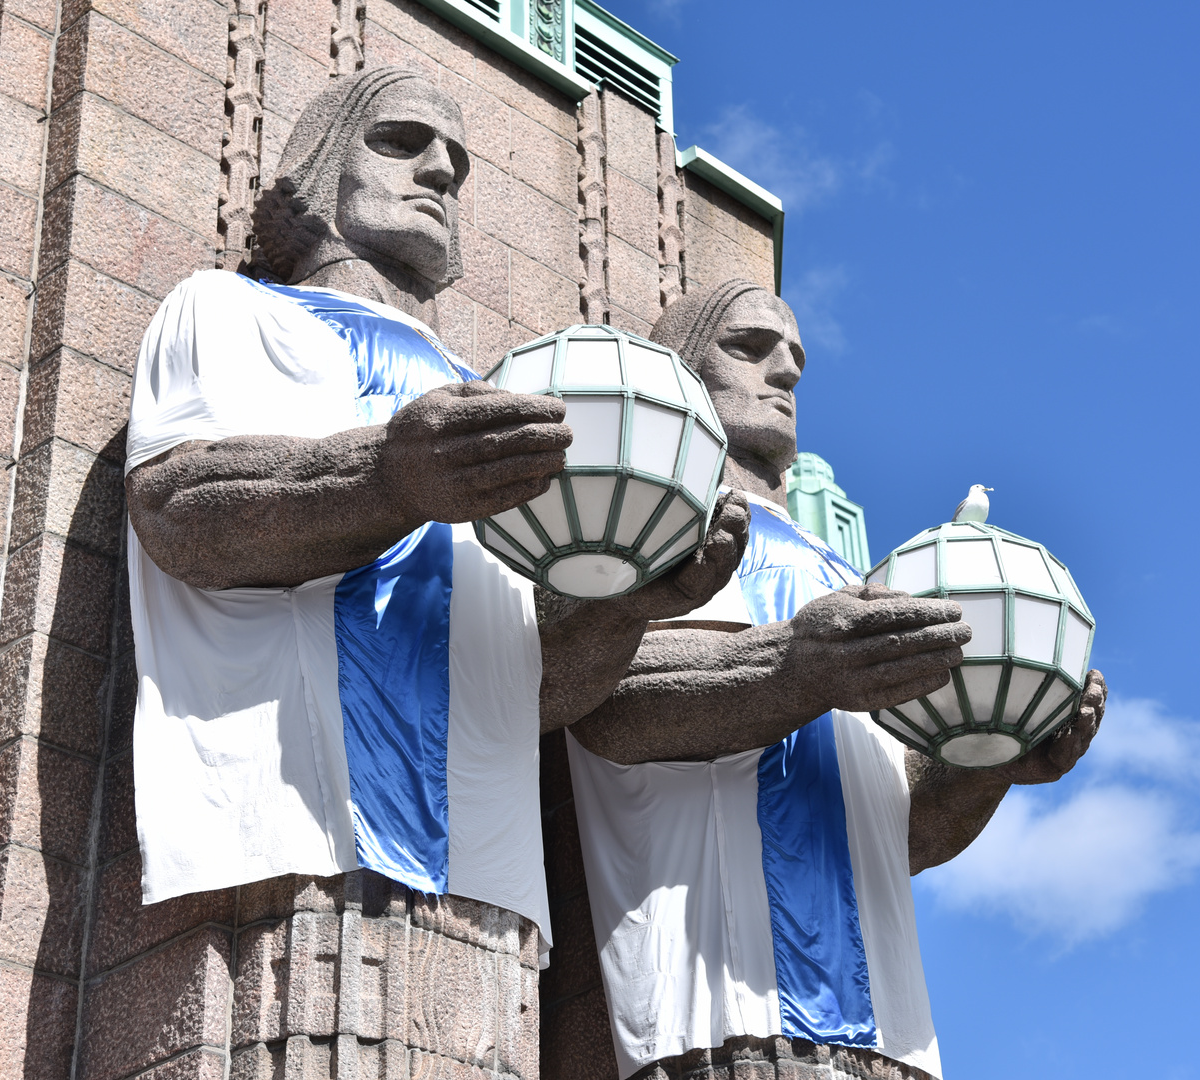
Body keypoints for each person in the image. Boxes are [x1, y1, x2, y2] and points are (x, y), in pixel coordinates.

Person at [120, 68, 749, 960]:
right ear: (322, 164)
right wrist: (390, 477)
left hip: (483, 883)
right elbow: (181, 509)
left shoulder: (494, 396)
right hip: (297, 829)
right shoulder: (234, 308)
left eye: (456, 159)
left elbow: (530, 689)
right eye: (401, 141)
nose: (440, 172)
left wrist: (630, 599)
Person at [566, 280, 1108, 1078]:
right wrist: (798, 666)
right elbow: (599, 697)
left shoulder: (851, 575)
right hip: (720, 1011)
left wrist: (990, 761)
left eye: (794, 359)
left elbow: (907, 830)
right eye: (748, 348)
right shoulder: (646, 517)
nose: (784, 372)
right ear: (680, 365)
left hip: (891, 1037)